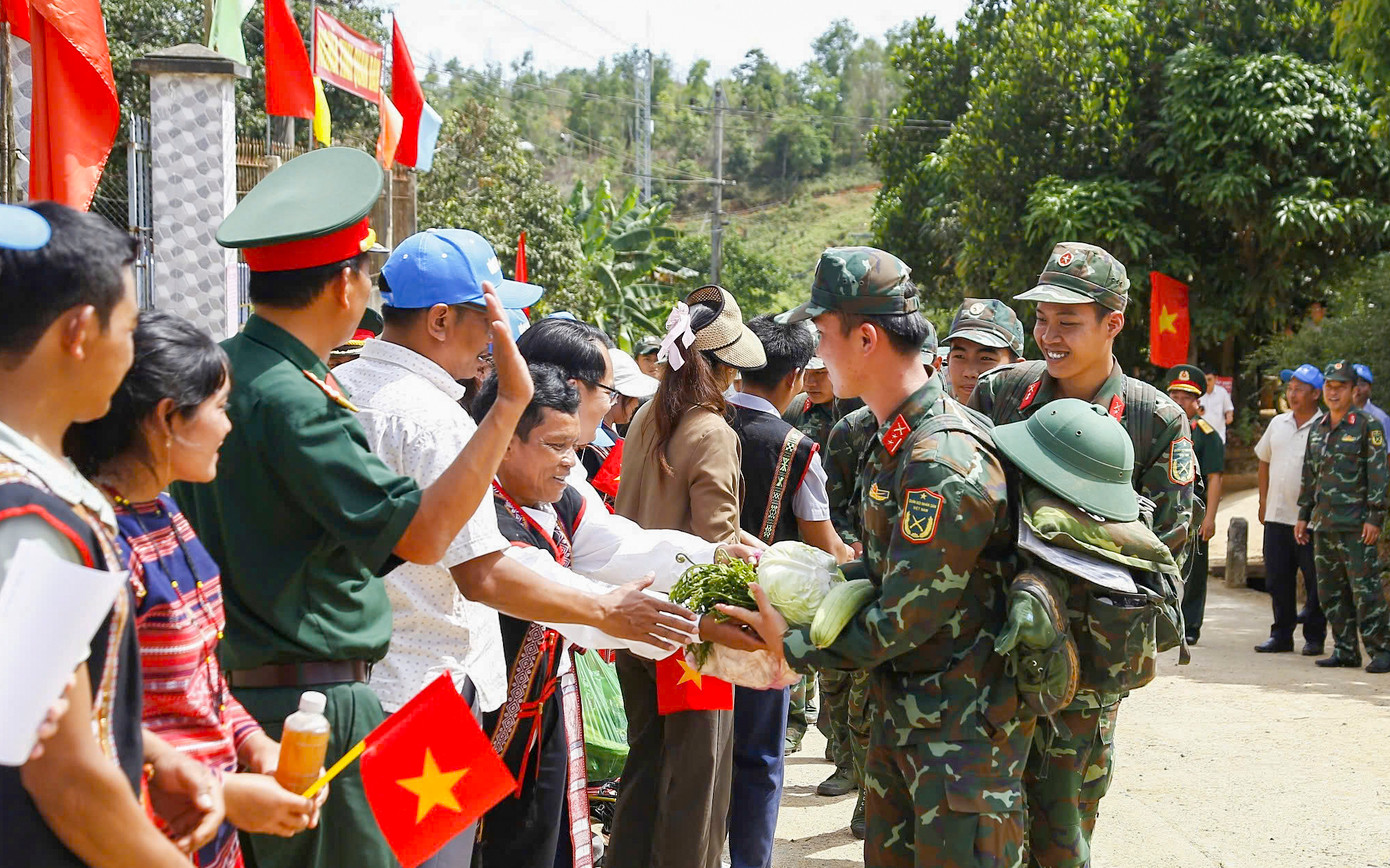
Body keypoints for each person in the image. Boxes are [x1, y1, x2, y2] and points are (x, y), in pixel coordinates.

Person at [171, 148, 535, 868]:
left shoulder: (226, 371)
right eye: (367, 275)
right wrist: (509, 409)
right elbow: (427, 535)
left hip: (239, 696)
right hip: (313, 708)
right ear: (344, 285)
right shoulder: (297, 401)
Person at [332, 229, 696, 868]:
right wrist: (609, 613)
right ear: (441, 320)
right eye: (489, 316)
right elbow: (484, 572)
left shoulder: (343, 388)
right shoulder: (431, 418)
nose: (499, 337)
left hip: (365, 681)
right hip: (427, 695)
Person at [724, 246, 1028, 868]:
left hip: (958, 744)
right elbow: (883, 572)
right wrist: (791, 566)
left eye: (823, 334)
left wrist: (793, 644)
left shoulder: (939, 458)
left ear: (865, 338)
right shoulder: (894, 442)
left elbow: (905, 616)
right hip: (909, 721)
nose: (817, 353)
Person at [0, 202, 223, 868]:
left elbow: (29, 701)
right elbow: (59, 773)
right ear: (77, 331)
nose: (129, 353)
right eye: (126, 328)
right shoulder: (32, 521)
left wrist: (147, 752)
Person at [67, 311, 327, 867]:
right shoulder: (92, 541)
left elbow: (200, 684)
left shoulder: (165, 511)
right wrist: (227, 794)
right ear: (167, 418)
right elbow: (80, 729)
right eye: (219, 408)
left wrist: (255, 746)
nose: (229, 426)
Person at [469, 364, 753, 868]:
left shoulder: (558, 501)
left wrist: (717, 558)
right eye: (554, 447)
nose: (568, 463)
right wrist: (697, 626)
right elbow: (562, 596)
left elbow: (624, 548)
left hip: (536, 718)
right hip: (467, 721)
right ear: (503, 439)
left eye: (573, 447)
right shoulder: (481, 516)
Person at [970, 241, 1194, 868]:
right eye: (1042, 319)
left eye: (1069, 322)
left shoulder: (1154, 420)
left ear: (1113, 323)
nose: (1050, 335)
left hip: (1087, 663)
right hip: (992, 646)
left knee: (1062, 833)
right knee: (980, 826)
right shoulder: (1000, 396)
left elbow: (1167, 547)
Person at [607, 284, 767, 868]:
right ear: (724, 370)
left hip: (638, 615)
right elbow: (715, 540)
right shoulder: (712, 431)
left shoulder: (647, 415)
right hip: (692, 631)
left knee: (646, 764)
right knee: (697, 783)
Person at [724, 314, 847, 868]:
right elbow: (823, 542)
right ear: (796, 377)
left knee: (696, 750)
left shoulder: (699, 424)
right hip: (761, 622)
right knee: (757, 757)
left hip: (686, 612)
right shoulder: (796, 447)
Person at [1296, 360, 1390, 673]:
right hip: (1324, 524)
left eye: (1340, 387)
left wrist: (1375, 518)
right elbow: (1310, 476)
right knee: (1330, 592)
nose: (1333, 392)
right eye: (1329, 386)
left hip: (1356, 526)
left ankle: (1382, 650)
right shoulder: (1318, 428)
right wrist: (1303, 515)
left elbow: (1378, 475)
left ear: (1353, 390)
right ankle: (1346, 649)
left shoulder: (1367, 426)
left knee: (1366, 592)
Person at [1254, 365, 1327, 655]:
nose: (1292, 394)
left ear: (1316, 394)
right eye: (1290, 388)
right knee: (1277, 578)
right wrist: (1262, 501)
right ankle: (1281, 634)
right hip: (1276, 515)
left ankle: (1315, 636)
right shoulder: (1278, 423)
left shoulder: (1325, 427)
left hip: (1310, 520)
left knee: (1315, 579)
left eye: (1299, 389)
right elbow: (1264, 461)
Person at [1163, 364, 1225, 646]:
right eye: (1175, 394)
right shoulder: (1160, 428)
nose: (1179, 401)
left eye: (1186, 396)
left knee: (1195, 572)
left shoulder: (1206, 434)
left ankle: (1190, 626)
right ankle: (1164, 622)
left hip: (1195, 513)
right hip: (1164, 509)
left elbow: (1214, 478)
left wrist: (1210, 518)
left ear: (1196, 400)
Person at [581, 347, 657, 508]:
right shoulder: (603, 444)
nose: (636, 403)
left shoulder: (590, 435)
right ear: (617, 395)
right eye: (633, 396)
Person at [943, 297, 1025, 404]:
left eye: (986, 358)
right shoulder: (934, 417)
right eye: (959, 356)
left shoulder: (1037, 418)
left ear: (1017, 369)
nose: (970, 373)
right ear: (948, 361)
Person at [1199, 371, 1235, 443]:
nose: (1207, 382)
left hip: (1218, 434)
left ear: (1215, 379)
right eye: (1205, 380)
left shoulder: (1222, 392)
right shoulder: (1198, 393)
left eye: (1209, 379)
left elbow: (1229, 408)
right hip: (1200, 436)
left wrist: (1229, 416)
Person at [1352, 364, 1390, 430]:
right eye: (1353, 384)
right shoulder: (1336, 415)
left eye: (1362, 384)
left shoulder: (1380, 418)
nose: (1357, 389)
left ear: (1370, 388)